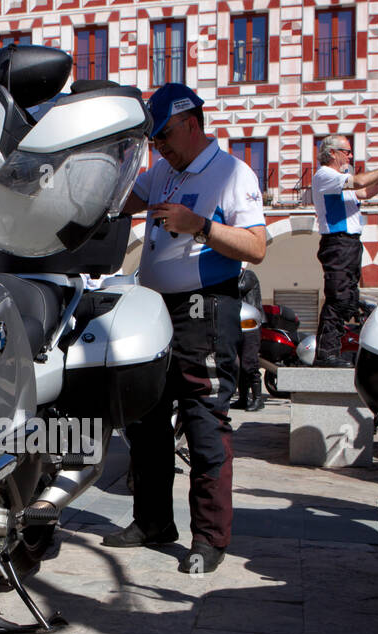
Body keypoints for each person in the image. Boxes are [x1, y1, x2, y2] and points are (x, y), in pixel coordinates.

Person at [102, 83, 268, 574]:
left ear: (192, 123)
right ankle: (152, 521)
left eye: (166, 136)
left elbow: (257, 247)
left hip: (205, 310)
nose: (161, 146)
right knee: (145, 416)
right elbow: (120, 202)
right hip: (153, 308)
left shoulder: (231, 172)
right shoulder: (161, 171)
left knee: (202, 420)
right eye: (154, 140)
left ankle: (210, 538)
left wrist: (199, 226)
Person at [312, 135, 378, 366]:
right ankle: (325, 354)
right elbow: (360, 182)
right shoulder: (326, 176)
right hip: (337, 242)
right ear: (332, 153)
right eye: (347, 151)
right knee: (338, 297)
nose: (351, 156)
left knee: (349, 299)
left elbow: (366, 192)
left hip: (349, 244)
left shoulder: (340, 179)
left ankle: (333, 350)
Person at [234, 268, 266, 412]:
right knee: (239, 364)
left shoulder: (248, 275)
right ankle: (243, 398)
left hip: (251, 323)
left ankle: (258, 399)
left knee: (249, 363)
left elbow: (239, 288)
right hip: (239, 323)